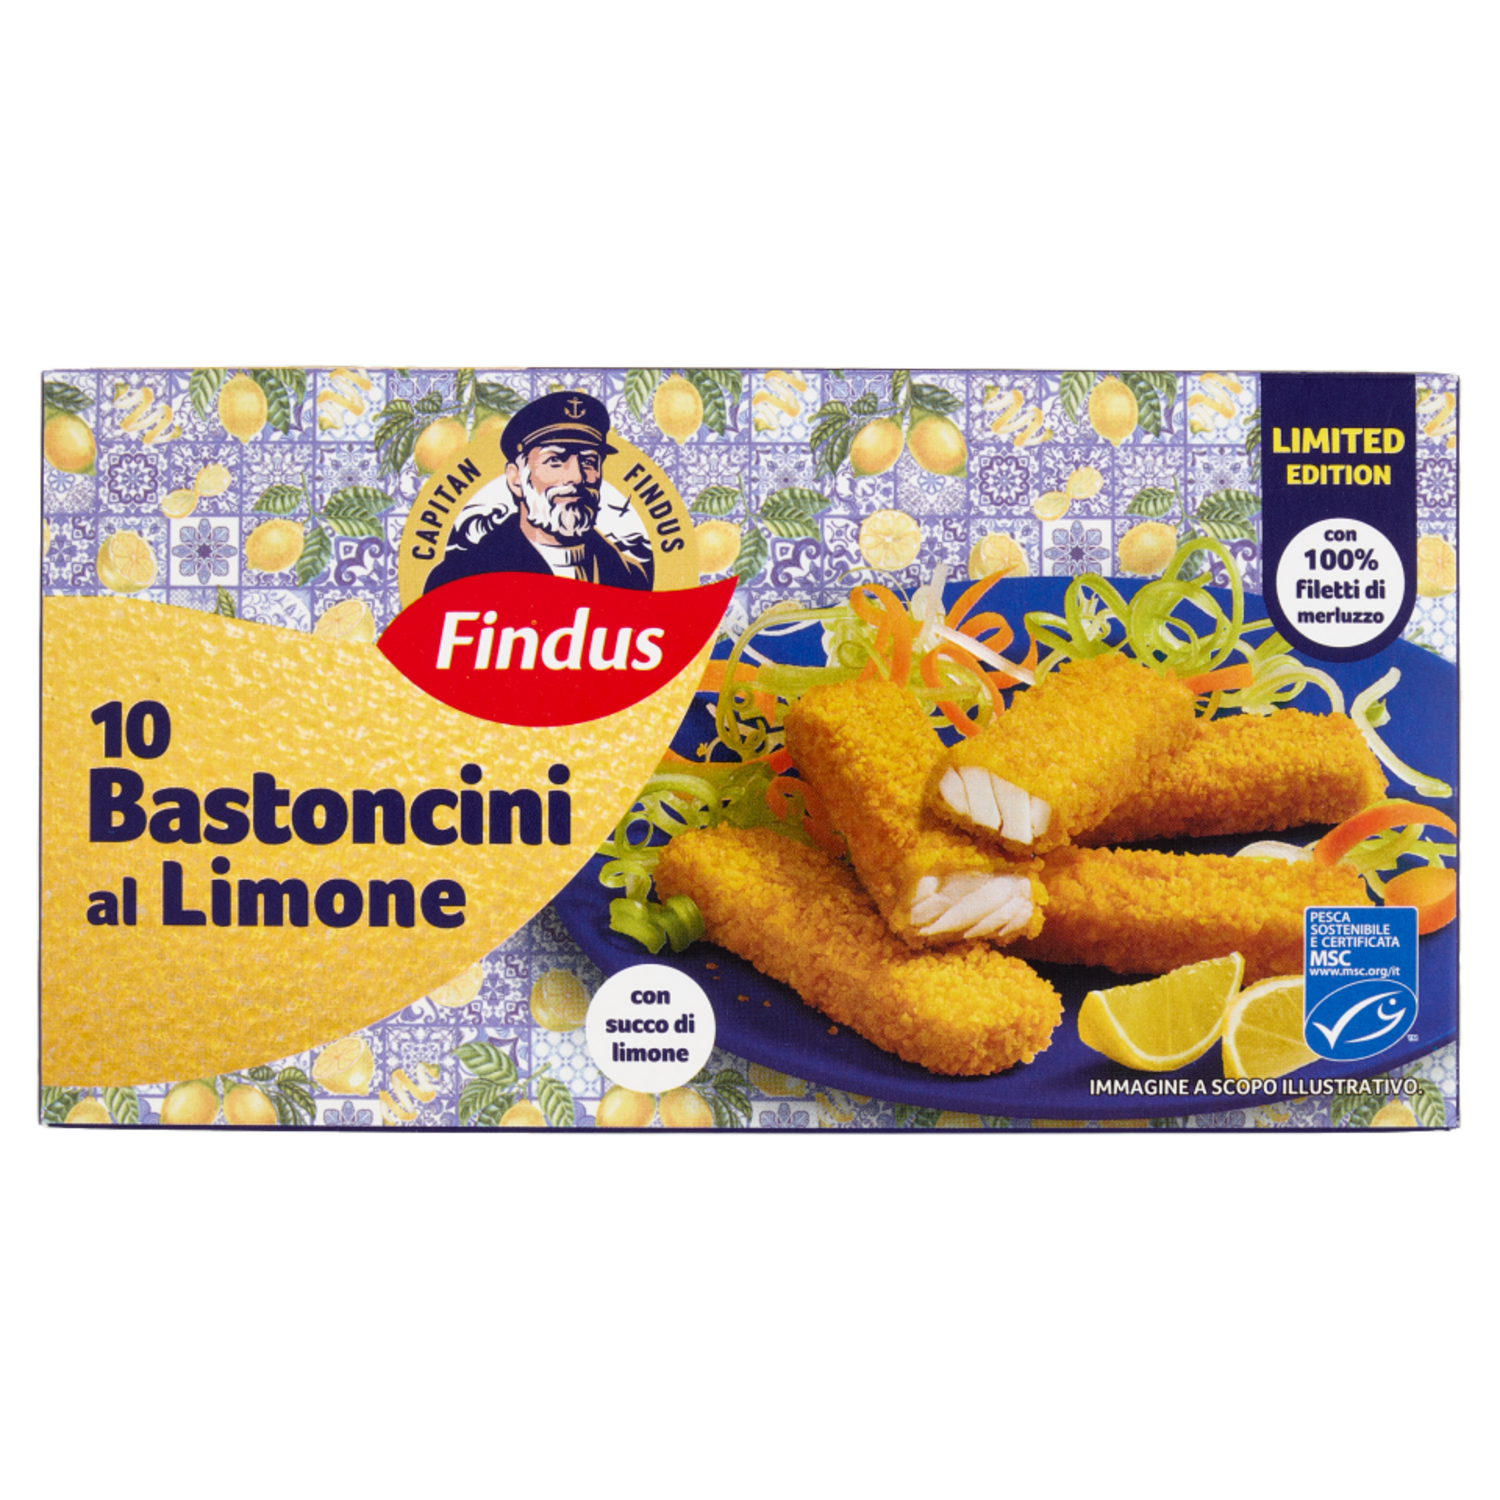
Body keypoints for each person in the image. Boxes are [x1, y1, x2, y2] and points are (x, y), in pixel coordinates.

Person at [424, 391, 653, 594]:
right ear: (516, 479)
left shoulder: (632, 579)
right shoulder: (461, 579)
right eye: (555, 460)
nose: (577, 477)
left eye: (589, 461)